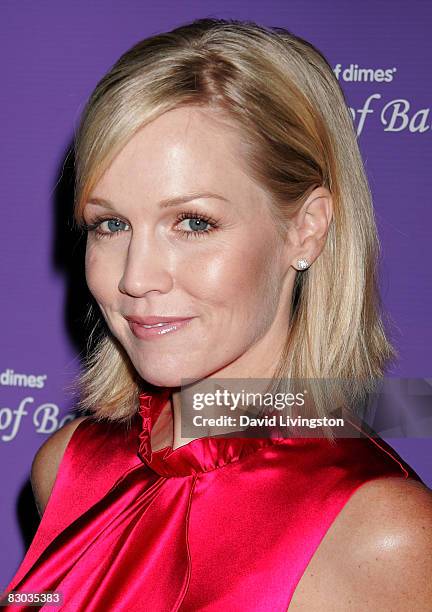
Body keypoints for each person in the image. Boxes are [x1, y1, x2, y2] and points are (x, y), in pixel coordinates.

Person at [2, 17, 431, 611]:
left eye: (193, 223)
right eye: (111, 224)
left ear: (305, 231)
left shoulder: (380, 535)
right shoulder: (70, 466)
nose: (136, 277)